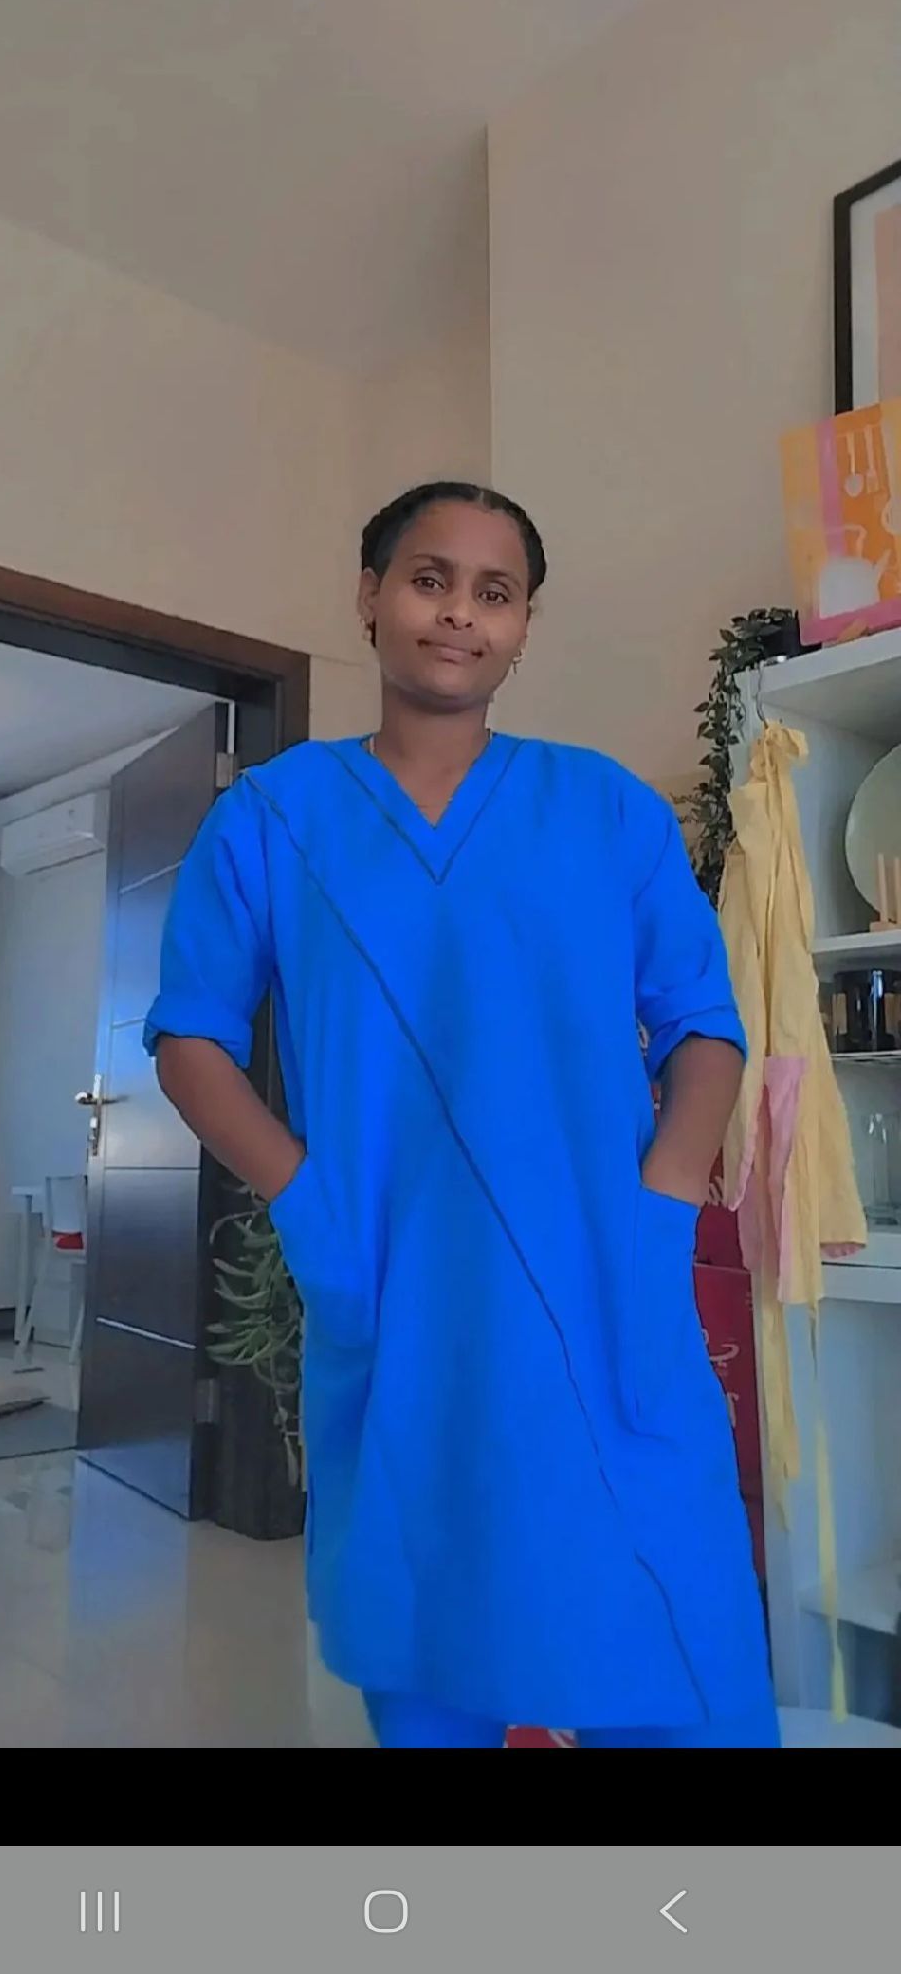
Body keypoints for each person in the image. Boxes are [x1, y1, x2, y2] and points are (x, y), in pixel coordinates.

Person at [145, 480, 780, 1750]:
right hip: (398, 1287)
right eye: (429, 578)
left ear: (524, 626)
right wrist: (312, 1202)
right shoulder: (273, 819)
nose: (458, 614)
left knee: (674, 1646)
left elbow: (704, 1028)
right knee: (428, 1648)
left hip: (606, 1284)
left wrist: (659, 1204)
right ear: (369, 596)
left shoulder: (605, 809)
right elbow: (189, 1038)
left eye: (496, 592)